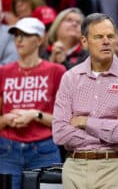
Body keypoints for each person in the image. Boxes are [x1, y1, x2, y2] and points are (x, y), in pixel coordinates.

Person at [52, 13, 118, 189]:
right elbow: (60, 133)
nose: (106, 41)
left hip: (114, 168)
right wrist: (112, 128)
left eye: (110, 36)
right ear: (84, 41)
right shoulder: (70, 77)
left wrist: (84, 122)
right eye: (99, 36)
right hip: (74, 167)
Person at [0, 17, 65, 189]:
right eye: (16, 35)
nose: (19, 40)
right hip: (7, 149)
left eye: (25, 35)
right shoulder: (3, 72)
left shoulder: (56, 71)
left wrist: (35, 115)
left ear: (40, 39)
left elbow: (65, 121)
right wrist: (6, 120)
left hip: (44, 149)